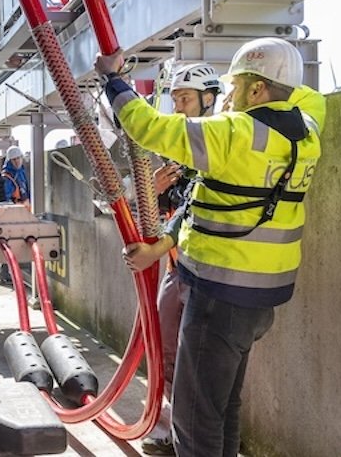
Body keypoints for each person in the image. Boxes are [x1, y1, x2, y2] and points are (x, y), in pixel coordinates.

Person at [95, 37, 326, 457]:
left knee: (196, 415)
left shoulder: (233, 132)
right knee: (224, 404)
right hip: (262, 299)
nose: (229, 95)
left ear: (257, 90)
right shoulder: (307, 128)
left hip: (219, 294)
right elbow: (307, 96)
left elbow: (148, 127)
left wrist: (112, 78)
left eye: (235, 86)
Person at [141, 63, 223, 456]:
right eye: (174, 101)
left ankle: (200, 440)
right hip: (175, 271)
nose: (178, 109)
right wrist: (154, 193)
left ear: (209, 100)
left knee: (198, 363)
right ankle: (168, 429)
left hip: (205, 275)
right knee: (166, 351)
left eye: (185, 99)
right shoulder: (175, 156)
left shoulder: (221, 149)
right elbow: (159, 220)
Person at [0, 145, 31, 285]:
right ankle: (4, 274)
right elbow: (6, 199)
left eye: (18, 158)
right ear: (9, 161)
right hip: (13, 216)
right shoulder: (7, 177)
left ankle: (11, 273)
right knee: (11, 244)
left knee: (19, 244)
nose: (17, 161)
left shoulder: (21, 172)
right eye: (14, 159)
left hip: (23, 214)